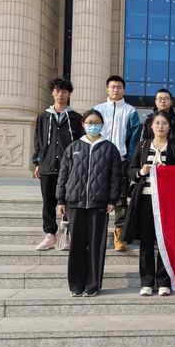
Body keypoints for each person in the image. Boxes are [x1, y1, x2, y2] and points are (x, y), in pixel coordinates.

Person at [56, 109, 122, 297]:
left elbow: (116, 177)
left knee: (96, 246)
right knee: (76, 245)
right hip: (75, 203)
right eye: (90, 122)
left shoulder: (110, 148)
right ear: (83, 124)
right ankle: (76, 284)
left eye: (97, 122)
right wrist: (60, 199)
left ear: (102, 124)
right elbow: (63, 175)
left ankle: (93, 284)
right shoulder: (74, 147)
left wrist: (112, 199)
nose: (93, 125)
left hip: (99, 203)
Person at [122, 110, 175, 297]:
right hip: (145, 199)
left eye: (164, 123)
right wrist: (141, 171)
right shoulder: (143, 145)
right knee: (146, 242)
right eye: (157, 123)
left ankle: (164, 281)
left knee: (165, 242)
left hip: (167, 202)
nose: (160, 126)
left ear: (169, 127)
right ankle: (147, 282)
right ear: (151, 126)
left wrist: (169, 172)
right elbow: (130, 170)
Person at [33, 78, 83, 251]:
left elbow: (79, 143)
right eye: (57, 91)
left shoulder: (76, 118)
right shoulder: (43, 117)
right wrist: (37, 162)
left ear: (69, 94)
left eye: (64, 91)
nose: (60, 94)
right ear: (52, 93)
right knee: (48, 202)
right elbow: (38, 141)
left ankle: (66, 233)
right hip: (47, 165)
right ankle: (50, 234)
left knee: (68, 201)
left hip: (69, 167)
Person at [94, 75, 141, 252]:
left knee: (121, 198)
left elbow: (134, 139)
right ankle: (97, 233)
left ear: (124, 90)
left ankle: (119, 234)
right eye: (112, 87)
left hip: (121, 160)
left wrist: (130, 160)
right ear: (107, 89)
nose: (116, 90)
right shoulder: (98, 109)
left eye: (119, 87)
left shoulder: (130, 111)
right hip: (100, 159)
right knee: (98, 195)